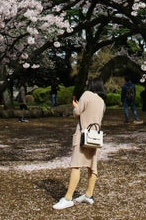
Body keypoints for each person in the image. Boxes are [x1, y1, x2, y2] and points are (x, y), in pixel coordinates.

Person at [53, 79, 106, 210]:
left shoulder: (87, 94)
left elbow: (77, 112)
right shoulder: (102, 101)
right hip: (95, 137)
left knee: (76, 165)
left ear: (91, 85)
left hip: (83, 136)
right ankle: (89, 195)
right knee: (92, 167)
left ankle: (68, 198)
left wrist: (75, 105)